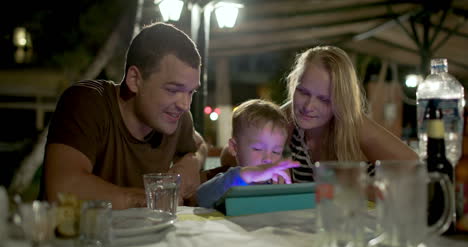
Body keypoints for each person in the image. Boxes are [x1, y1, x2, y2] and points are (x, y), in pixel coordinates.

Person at [42, 22, 208, 209]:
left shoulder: (177, 117)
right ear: (135, 80)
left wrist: (193, 161)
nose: (185, 105)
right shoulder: (88, 102)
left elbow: (199, 145)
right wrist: (148, 199)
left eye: (190, 92)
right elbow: (61, 189)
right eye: (172, 90)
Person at [221, 46, 418, 182]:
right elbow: (228, 155)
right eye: (303, 92)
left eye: (324, 99)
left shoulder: (354, 124)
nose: (308, 106)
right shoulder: (288, 118)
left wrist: (355, 188)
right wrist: (266, 163)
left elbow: (415, 168)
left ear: (341, 100)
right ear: (293, 84)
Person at [197, 99, 299, 208]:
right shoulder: (230, 181)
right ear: (234, 147)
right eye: (257, 149)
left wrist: (287, 191)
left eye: (276, 151)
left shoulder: (275, 185)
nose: (268, 159)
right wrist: (244, 175)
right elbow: (201, 198)